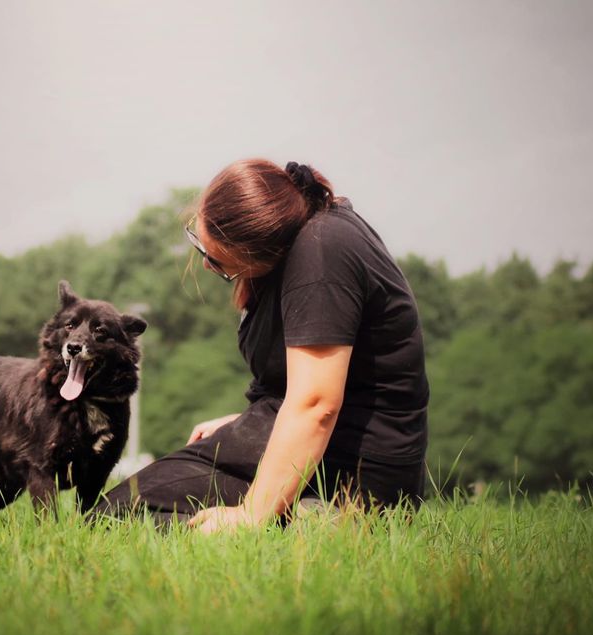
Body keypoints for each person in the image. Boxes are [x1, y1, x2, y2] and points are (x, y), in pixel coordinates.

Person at [91, 159, 429, 533]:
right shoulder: (313, 232)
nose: (206, 268)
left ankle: (321, 520)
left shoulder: (320, 254)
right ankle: (300, 518)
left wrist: (251, 515)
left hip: (352, 470)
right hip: (325, 446)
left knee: (116, 519)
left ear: (263, 253)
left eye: (217, 262)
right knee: (122, 508)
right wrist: (244, 424)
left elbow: (317, 404)